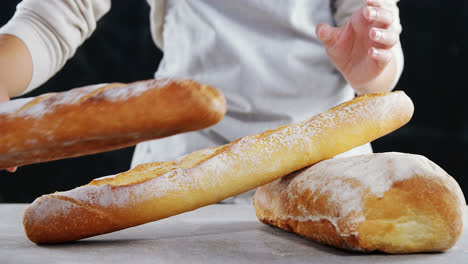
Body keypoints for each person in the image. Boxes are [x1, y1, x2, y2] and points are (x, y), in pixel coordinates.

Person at [0, 0, 403, 201]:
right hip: (177, 172)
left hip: (321, 174)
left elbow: (376, 30)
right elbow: (55, 15)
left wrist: (372, 68)